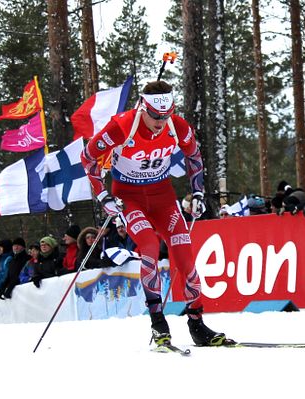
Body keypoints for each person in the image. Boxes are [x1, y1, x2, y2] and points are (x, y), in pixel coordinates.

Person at [79, 80, 228, 346]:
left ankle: (197, 323)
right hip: (129, 198)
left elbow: (195, 157)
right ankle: (159, 323)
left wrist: (197, 193)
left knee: (185, 257)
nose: (161, 122)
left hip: (164, 198)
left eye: (166, 115)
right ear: (142, 108)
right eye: (156, 116)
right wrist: (103, 196)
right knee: (148, 245)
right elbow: (88, 158)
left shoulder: (177, 125)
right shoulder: (122, 125)